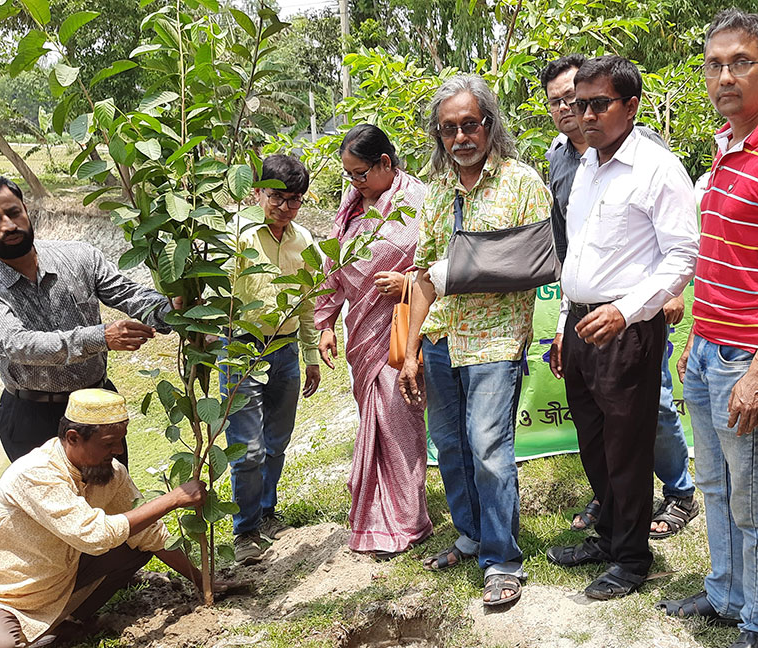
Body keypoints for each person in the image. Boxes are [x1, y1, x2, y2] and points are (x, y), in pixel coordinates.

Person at [656, 10, 758, 648]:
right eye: (714, 64)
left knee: (753, 500)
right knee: (714, 483)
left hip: (746, 359)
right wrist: (695, 343)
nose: (724, 76)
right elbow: (722, 259)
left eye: (741, 63)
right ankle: (725, 594)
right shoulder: (728, 144)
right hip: (708, 349)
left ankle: (757, 622)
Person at [543, 56, 698, 600]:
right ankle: (609, 535)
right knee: (592, 441)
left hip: (626, 328)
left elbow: (682, 257)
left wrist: (627, 311)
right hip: (583, 321)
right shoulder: (584, 168)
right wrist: (566, 322)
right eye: (577, 104)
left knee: (626, 448)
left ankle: (632, 559)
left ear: (630, 106)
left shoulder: (657, 169)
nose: (584, 115)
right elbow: (578, 257)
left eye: (597, 104)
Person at [397, 74, 551, 607]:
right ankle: (471, 534)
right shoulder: (437, 192)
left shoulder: (522, 182)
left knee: (488, 450)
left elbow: (535, 262)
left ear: (489, 125)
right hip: (441, 338)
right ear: (438, 135)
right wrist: (411, 349)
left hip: (495, 341)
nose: (461, 136)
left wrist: (460, 268)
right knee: (452, 448)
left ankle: (503, 559)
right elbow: (423, 273)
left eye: (470, 124)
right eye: (449, 129)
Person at [0, 389, 224, 648]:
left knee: (135, 542)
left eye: (121, 440)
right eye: (108, 443)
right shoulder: (36, 472)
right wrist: (172, 500)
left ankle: (64, 622)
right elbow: (93, 535)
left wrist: (201, 580)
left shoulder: (111, 473)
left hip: (57, 585)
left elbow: (151, 534)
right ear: (73, 438)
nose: (117, 451)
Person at [0, 176, 174, 463]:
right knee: (50, 506)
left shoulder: (80, 256)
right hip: (31, 417)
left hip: (99, 408)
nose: (8, 225)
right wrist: (102, 337)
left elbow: (129, 295)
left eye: (14, 212)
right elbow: (18, 344)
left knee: (114, 498)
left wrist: (171, 309)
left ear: (25, 208)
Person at [315, 124, 432, 558]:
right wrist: (325, 322)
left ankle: (408, 520)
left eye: (360, 173)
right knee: (374, 423)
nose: (354, 183)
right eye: (349, 175)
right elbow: (332, 266)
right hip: (362, 336)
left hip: (403, 332)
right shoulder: (349, 208)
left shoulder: (418, 201)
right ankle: (372, 519)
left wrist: (405, 282)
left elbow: (438, 262)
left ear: (386, 163)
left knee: (401, 424)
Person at [222, 154, 321, 566]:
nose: (285, 207)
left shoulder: (305, 241)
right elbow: (217, 296)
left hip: (285, 354)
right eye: (277, 197)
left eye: (295, 200)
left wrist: (311, 354)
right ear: (257, 192)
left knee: (277, 442)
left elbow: (306, 302)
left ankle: (267, 512)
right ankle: (245, 530)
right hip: (243, 351)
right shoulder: (235, 235)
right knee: (248, 450)